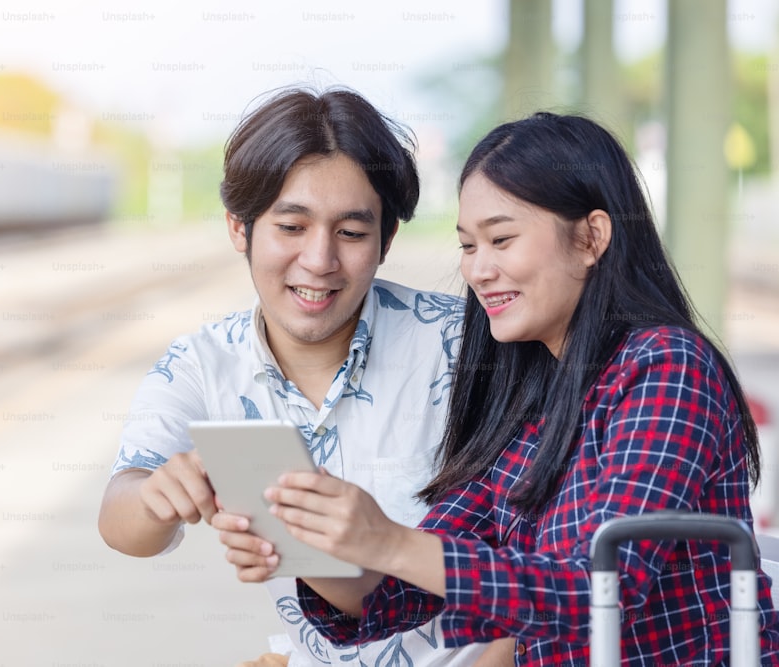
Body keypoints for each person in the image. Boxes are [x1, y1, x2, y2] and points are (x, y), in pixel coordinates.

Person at [213, 111, 779, 664]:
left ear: (591, 236)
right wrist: (305, 540)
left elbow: (599, 590)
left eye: (500, 240)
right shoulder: (536, 392)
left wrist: (387, 540)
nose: (478, 270)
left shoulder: (667, 367)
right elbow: (404, 592)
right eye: (466, 246)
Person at [97, 86, 489, 666]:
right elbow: (120, 520)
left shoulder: (468, 346)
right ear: (240, 228)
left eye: (351, 233)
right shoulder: (199, 365)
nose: (319, 260)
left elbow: (541, 562)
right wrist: (156, 497)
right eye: (291, 227)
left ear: (387, 240)